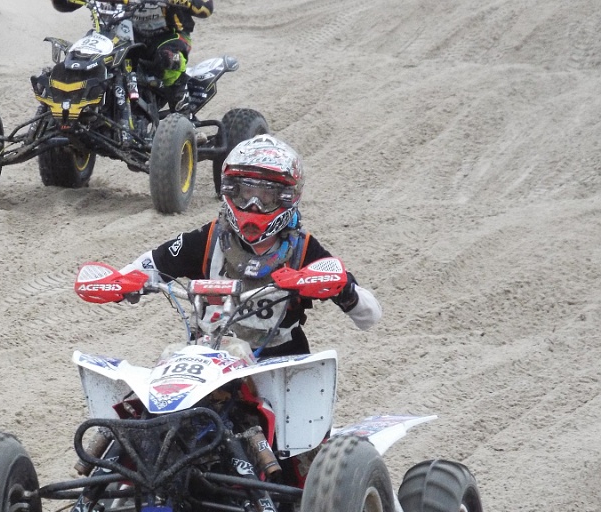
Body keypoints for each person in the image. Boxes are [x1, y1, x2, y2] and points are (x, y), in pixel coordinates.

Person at [119, 134, 382, 357]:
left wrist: (345, 291)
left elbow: (369, 316)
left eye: (266, 195)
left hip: (279, 363)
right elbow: (150, 264)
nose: (254, 205)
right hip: (211, 358)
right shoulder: (207, 240)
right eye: (246, 193)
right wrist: (121, 282)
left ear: (286, 198)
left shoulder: (303, 250)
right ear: (231, 191)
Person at [51, 0, 214, 112]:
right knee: (78, 59)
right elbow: (63, 5)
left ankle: (184, 114)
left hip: (165, 36)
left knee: (169, 59)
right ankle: (69, 112)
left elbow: (205, 8)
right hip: (111, 37)